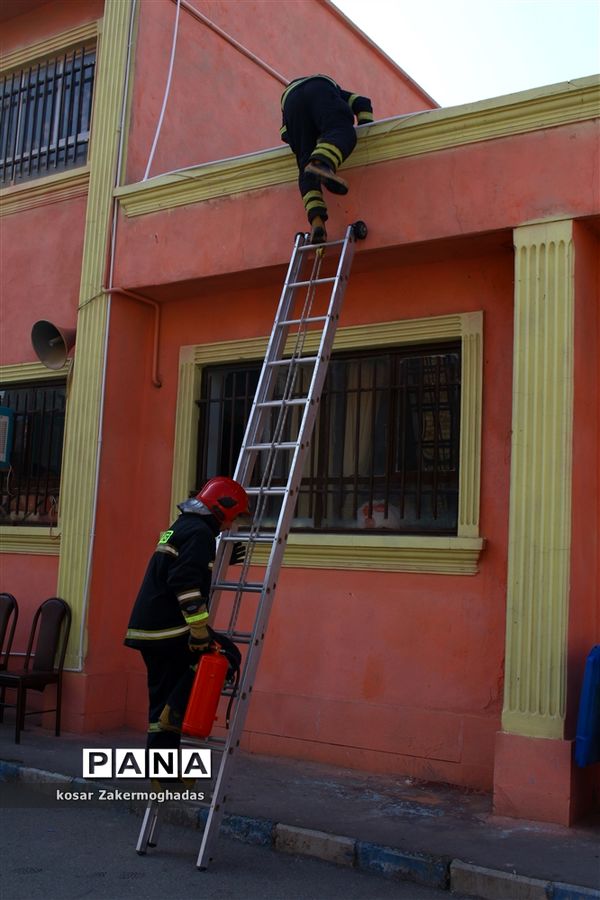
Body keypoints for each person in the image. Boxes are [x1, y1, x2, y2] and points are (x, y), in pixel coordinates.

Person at [124, 476, 250, 753]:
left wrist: (216, 559)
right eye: (233, 517)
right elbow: (184, 581)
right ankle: (178, 707)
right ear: (222, 508)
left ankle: (162, 774)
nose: (231, 525)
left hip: (149, 629)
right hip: (169, 629)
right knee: (226, 655)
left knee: (159, 705)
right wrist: (199, 629)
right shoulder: (200, 533)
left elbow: (183, 565)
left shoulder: (182, 526)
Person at [280, 74, 373, 244]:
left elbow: (285, 134)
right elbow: (362, 102)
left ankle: (317, 222)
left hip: (289, 101)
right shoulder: (338, 93)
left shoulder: (291, 99)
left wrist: (306, 141)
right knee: (342, 131)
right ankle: (321, 163)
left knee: (304, 164)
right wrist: (366, 130)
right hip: (320, 87)